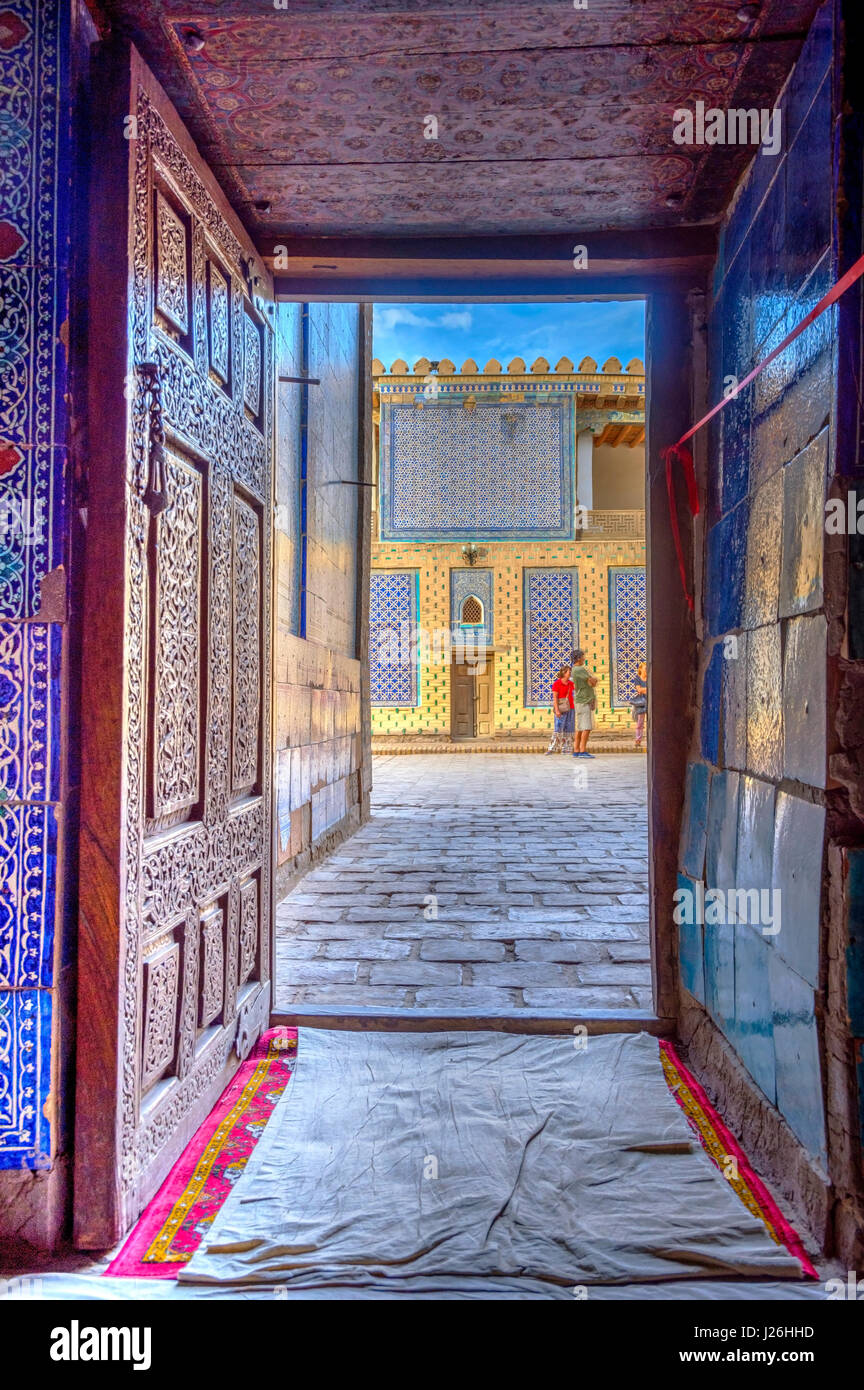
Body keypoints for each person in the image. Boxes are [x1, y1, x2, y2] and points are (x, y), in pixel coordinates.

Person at [569, 647, 598, 758]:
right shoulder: (580, 669)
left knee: (580, 727)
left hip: (579, 700)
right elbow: (592, 682)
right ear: (579, 658)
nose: (584, 658)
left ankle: (576, 749)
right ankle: (582, 750)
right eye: (582, 656)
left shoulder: (574, 670)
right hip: (584, 700)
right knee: (586, 727)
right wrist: (593, 679)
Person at [546, 664, 575, 754]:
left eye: (570, 671)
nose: (570, 673)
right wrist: (557, 710)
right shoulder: (557, 684)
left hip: (571, 708)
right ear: (563, 673)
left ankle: (567, 749)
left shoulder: (571, 683)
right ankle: (552, 748)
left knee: (569, 728)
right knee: (558, 728)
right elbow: (555, 698)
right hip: (561, 709)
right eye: (568, 671)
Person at [632, 660, 648, 748]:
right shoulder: (637, 678)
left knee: (652, 722)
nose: (646, 670)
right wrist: (647, 688)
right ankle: (638, 740)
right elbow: (639, 690)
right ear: (641, 669)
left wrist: (643, 689)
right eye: (645, 669)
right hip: (641, 703)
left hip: (650, 701)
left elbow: (642, 689)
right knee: (640, 723)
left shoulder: (650, 678)